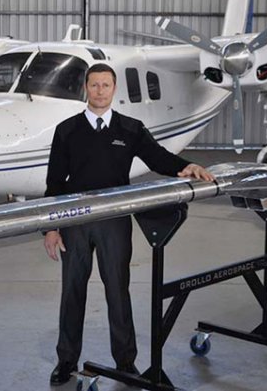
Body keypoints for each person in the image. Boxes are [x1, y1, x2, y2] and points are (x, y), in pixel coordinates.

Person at [43, 63, 214, 385]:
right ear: (86, 88)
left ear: (114, 88)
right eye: (94, 85)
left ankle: (125, 362)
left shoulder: (130, 128)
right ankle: (66, 360)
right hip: (75, 221)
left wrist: (187, 165)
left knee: (118, 292)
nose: (99, 91)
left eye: (105, 85)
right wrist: (51, 228)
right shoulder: (66, 130)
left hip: (115, 221)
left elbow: (158, 158)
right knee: (72, 292)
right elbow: (54, 183)